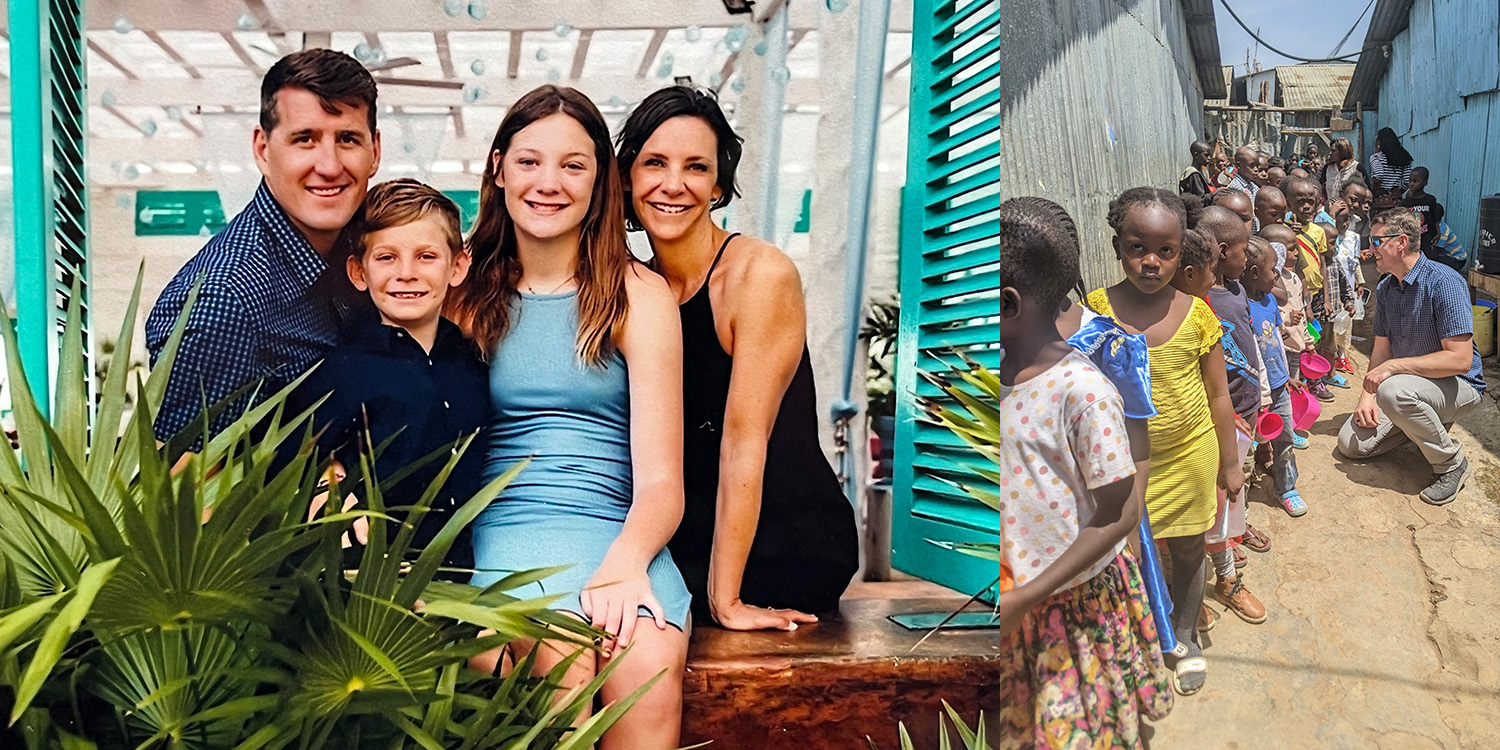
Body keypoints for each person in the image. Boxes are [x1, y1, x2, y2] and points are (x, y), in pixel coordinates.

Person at [452, 85, 689, 748]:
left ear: (600, 181)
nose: (548, 183)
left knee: (643, 663)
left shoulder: (638, 295)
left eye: (573, 165)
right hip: (505, 533)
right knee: (546, 658)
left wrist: (625, 561)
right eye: (529, 162)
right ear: (499, 170)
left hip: (620, 531)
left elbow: (663, 479)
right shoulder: (463, 296)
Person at [614, 85, 859, 630]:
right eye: (654, 162)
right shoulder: (637, 284)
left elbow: (743, 444)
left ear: (719, 185)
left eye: (696, 167)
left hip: (784, 541)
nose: (673, 185)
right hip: (685, 537)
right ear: (627, 175)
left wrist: (725, 600)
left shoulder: (758, 274)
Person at [995, 197, 1171, 748]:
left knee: (1089, 729)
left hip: (1066, 602)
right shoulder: (989, 377)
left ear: (1007, 302)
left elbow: (1119, 505)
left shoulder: (1085, 388)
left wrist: (1024, 598)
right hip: (1013, 607)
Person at [145, 49, 380, 446]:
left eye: (348, 139)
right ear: (262, 149)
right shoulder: (223, 299)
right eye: (304, 139)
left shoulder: (370, 252)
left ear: (375, 150)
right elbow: (186, 486)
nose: (329, 165)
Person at [1086, 187, 1244, 697]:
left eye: (1166, 251)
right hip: (1124, 467)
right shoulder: (1096, 312)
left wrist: (1230, 463)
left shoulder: (1198, 315)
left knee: (1191, 549)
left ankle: (1185, 635)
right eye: (1137, 247)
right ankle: (1139, 633)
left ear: (1182, 253)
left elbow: (1219, 395)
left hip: (1189, 456)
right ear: (1117, 246)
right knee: (1126, 553)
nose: (1150, 262)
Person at [287, 179, 483, 573]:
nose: (406, 273)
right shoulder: (344, 370)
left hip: (464, 568)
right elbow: (298, 453)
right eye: (387, 257)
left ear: (457, 267)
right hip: (373, 570)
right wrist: (330, 486)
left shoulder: (472, 364)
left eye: (426, 256)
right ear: (359, 272)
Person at [1337, 209, 1486, 506]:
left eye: (1377, 240)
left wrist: (1395, 367)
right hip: (1413, 386)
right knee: (1350, 445)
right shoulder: (1387, 287)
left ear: (1401, 242)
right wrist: (1366, 397)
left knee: (1393, 390)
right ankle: (1420, 426)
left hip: (1458, 385)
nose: (1371, 249)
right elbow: (1381, 350)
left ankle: (1451, 464)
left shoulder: (1444, 283)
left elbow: (1460, 361)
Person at [1197, 207, 1270, 626]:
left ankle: (1229, 549)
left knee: (1232, 493)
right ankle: (1222, 576)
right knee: (1212, 502)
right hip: (1217, 419)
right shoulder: (1200, 302)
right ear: (1223, 252)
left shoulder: (1238, 291)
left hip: (1244, 410)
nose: (1249, 257)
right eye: (1244, 248)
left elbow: (1251, 348)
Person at [1244, 235, 1307, 519]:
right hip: (1254, 391)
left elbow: (1276, 342)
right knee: (1251, 443)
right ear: (1255, 273)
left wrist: (1286, 375)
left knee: (1285, 438)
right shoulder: (1241, 306)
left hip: (1280, 385)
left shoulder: (1269, 301)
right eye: (1273, 270)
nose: (1278, 275)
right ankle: (1241, 500)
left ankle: (1286, 488)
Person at [1285, 178, 1340, 402]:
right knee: (1299, 339)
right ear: (1289, 203)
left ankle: (1313, 378)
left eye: (1311, 202)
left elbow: (1322, 263)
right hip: (1296, 297)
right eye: (1300, 202)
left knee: (1314, 339)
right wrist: (1290, 229)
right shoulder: (1285, 230)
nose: (1306, 207)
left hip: (1316, 296)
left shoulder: (1317, 231)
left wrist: (1326, 298)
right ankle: (1304, 381)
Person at [1403, 167, 1451, 270]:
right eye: (1410, 181)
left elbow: (1435, 218)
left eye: (1415, 181)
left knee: (1427, 261)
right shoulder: (1406, 202)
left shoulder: (1430, 200)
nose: (1411, 184)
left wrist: (1438, 233)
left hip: (1427, 237)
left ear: (1425, 183)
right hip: (1411, 238)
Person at [1370, 127, 1413, 210]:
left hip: (1380, 200)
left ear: (1379, 142)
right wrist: (1399, 191)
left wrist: (1375, 191)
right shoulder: (1404, 158)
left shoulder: (1376, 157)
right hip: (1396, 200)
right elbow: (1407, 180)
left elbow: (1379, 174)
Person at [1321, 138, 1365, 206]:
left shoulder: (1356, 168)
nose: (1330, 153)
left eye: (1333, 151)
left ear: (1343, 152)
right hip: (1330, 210)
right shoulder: (1328, 168)